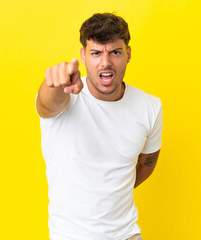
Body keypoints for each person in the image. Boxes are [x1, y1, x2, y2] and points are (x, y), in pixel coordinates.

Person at [36, 13, 163, 240]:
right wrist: (53, 83)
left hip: (127, 234)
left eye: (115, 52)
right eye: (96, 53)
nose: (105, 62)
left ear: (128, 54)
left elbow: (148, 162)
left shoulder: (150, 106)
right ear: (83, 56)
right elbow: (47, 104)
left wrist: (112, 190)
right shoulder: (67, 95)